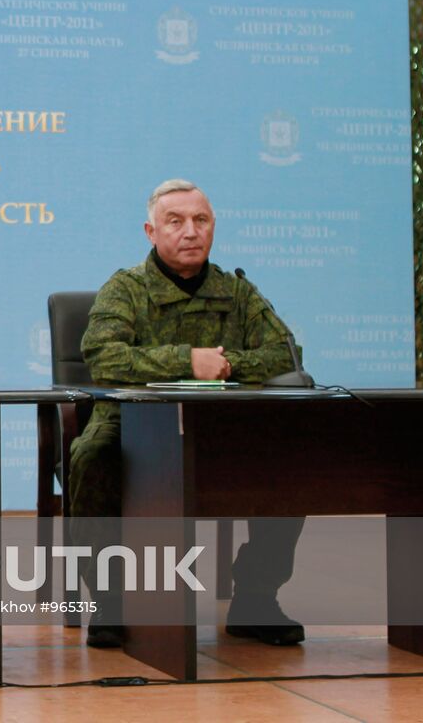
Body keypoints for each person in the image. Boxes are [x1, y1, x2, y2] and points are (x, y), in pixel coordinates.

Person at [70, 178, 305, 649]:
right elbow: (104, 357)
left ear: (213, 228)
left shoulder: (236, 290)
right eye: (175, 222)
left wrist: (229, 364)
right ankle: (110, 600)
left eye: (200, 220)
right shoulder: (126, 288)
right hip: (132, 422)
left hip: (221, 424)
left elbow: (286, 353)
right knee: (89, 456)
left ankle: (256, 598)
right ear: (151, 232)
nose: (190, 231)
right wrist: (187, 361)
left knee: (287, 466)